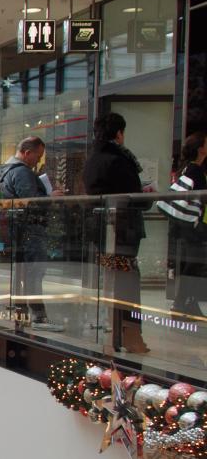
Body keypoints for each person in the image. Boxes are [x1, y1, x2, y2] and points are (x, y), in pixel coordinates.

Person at [83, 113, 149, 354]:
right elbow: (136, 198)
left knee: (114, 280)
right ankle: (130, 334)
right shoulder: (119, 160)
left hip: (103, 231)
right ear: (119, 133)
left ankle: (117, 332)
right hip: (123, 231)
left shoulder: (93, 159)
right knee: (127, 281)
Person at [0, 136, 63, 332]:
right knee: (34, 273)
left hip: (17, 229)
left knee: (23, 273)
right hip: (30, 229)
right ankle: (38, 317)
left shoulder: (5, 171)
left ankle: (21, 312)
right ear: (27, 153)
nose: (38, 161)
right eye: (38, 156)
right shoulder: (22, 173)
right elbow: (30, 200)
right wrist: (49, 197)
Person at [158, 133, 207, 315]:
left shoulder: (186, 168)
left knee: (192, 264)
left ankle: (188, 302)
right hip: (194, 227)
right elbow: (202, 197)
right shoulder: (196, 171)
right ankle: (181, 302)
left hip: (185, 227)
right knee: (194, 265)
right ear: (200, 149)